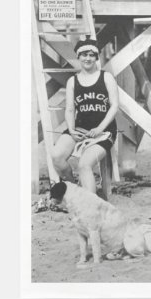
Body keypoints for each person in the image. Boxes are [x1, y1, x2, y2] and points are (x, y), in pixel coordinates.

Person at [51, 38, 119, 194]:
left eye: (91, 55)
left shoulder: (106, 77)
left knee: (84, 165)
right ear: (78, 57)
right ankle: (73, 189)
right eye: (83, 55)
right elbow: (69, 109)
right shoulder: (72, 81)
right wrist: (71, 129)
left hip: (104, 131)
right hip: (80, 128)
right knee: (56, 156)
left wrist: (100, 128)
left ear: (96, 57)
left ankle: (91, 205)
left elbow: (115, 106)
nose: (87, 58)